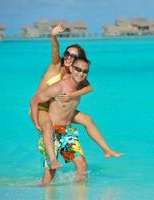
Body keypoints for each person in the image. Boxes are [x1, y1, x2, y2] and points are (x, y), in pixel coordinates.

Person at [33, 24, 122, 170]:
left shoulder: (75, 73)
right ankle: (53, 160)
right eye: (67, 53)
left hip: (58, 108)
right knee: (48, 127)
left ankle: (106, 149)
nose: (68, 57)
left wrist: (72, 95)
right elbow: (55, 48)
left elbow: (89, 87)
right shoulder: (57, 65)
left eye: (73, 56)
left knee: (87, 119)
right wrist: (53, 35)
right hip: (41, 107)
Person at [31, 57, 92, 185]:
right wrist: (36, 123)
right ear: (71, 68)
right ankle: (45, 193)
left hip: (67, 132)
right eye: (78, 69)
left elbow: (90, 88)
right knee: (51, 173)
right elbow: (34, 101)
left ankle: (80, 195)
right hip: (52, 132)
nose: (81, 73)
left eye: (85, 71)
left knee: (82, 166)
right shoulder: (58, 87)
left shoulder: (81, 86)